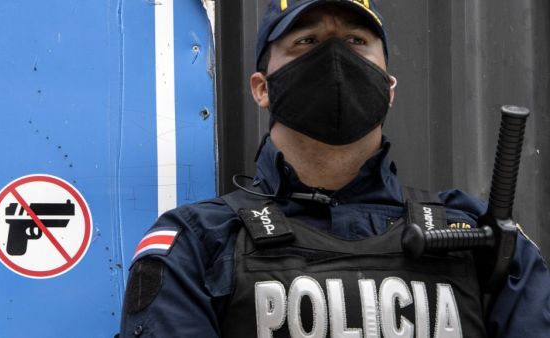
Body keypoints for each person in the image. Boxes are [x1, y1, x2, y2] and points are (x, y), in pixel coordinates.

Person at [120, 1, 550, 337]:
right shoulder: (196, 244)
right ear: (261, 88)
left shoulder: (480, 236)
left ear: (389, 86)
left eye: (355, 42)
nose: (335, 59)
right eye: (307, 42)